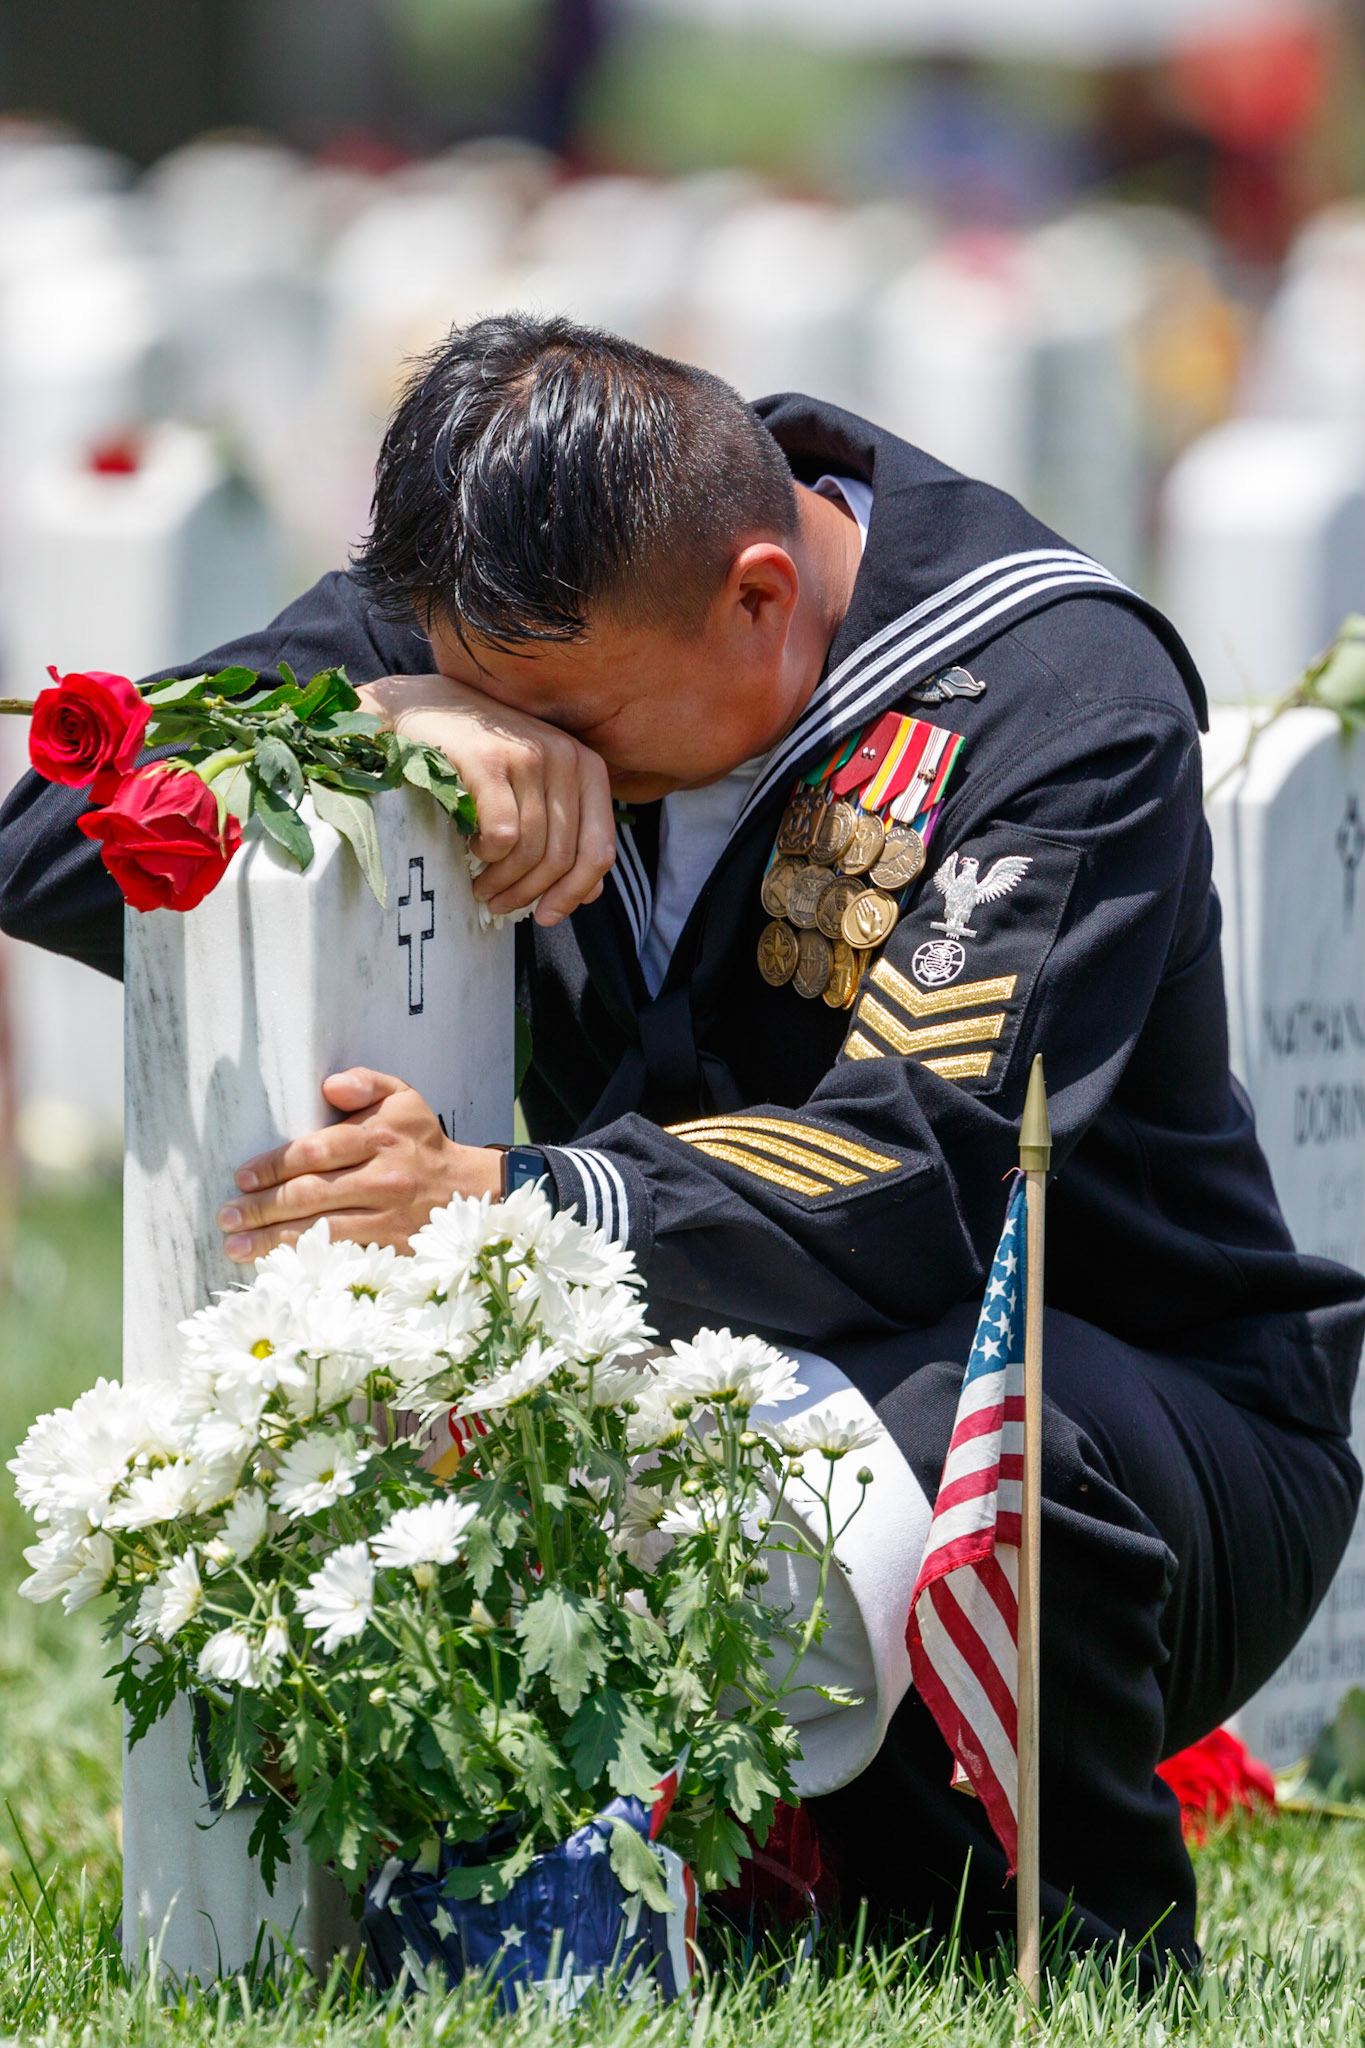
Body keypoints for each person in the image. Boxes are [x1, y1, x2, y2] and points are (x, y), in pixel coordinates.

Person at [2, 314, 1361, 1976]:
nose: (539, 745)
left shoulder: (1050, 695)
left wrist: (519, 1196)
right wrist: (390, 716)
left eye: (574, 719)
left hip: (1123, 1414)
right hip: (701, 1367)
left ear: (759, 599)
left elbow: (927, 1177)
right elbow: (57, 842)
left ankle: (1068, 1936)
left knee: (948, 1431)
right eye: (489, 694)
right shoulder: (512, 592)